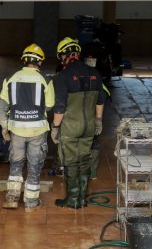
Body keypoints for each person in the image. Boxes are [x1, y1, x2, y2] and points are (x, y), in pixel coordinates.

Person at [51, 37, 108, 209]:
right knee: (84, 159)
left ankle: (72, 199)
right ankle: (82, 198)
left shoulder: (62, 76)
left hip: (70, 127)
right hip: (89, 126)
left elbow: (60, 107)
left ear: (63, 56)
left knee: (70, 161)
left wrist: (55, 127)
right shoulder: (94, 73)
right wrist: (98, 120)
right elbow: (101, 99)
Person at [0, 44, 55, 212]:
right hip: (37, 131)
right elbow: (50, 106)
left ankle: (12, 198)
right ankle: (31, 202)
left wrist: (4, 127)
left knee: (16, 163)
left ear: (23, 60)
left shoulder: (10, 78)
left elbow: (2, 107)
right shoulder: (46, 80)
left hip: (16, 131)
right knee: (35, 165)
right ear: (40, 62)